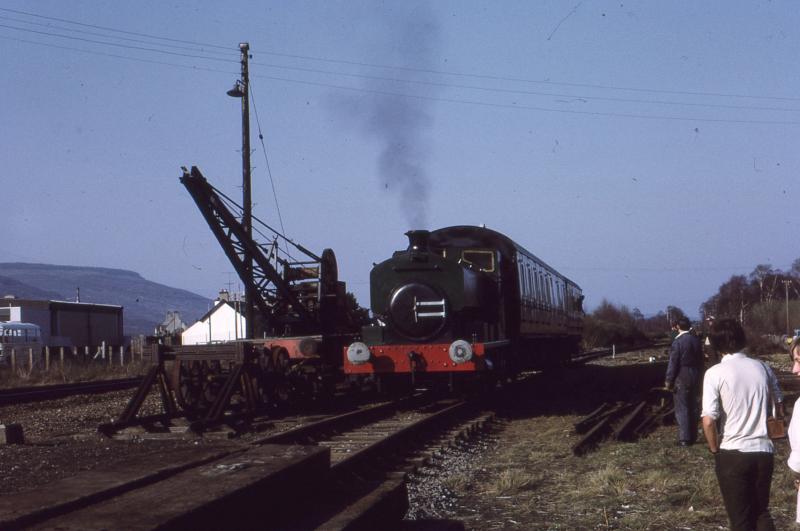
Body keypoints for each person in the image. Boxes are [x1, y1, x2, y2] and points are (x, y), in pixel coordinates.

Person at [701, 318, 783, 531]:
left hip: (733, 452)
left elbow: (709, 420)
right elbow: (779, 406)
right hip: (764, 451)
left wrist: (714, 449)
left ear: (716, 344)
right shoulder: (763, 368)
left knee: (740, 519)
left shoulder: (715, 373)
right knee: (761, 511)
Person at [664, 317, 704, 446]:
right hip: (696, 374)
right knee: (693, 406)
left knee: (682, 407)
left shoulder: (678, 342)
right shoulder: (696, 340)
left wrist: (669, 380)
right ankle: (693, 436)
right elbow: (701, 360)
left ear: (677, 327)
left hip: (682, 375)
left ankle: (684, 439)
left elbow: (673, 362)